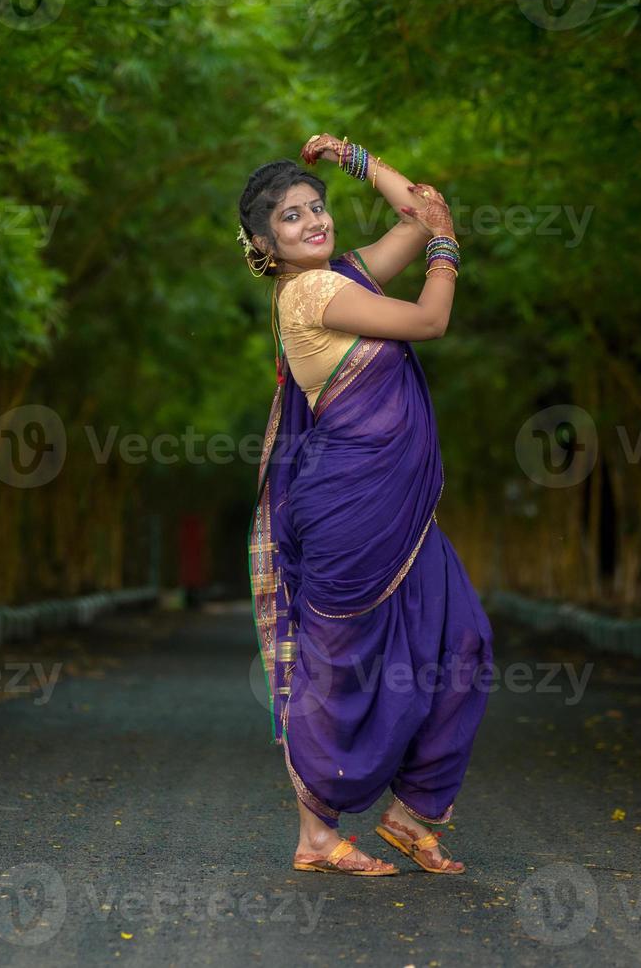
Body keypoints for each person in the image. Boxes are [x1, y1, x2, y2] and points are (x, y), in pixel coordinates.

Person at [240, 133, 493, 876]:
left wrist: (358, 160)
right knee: (341, 666)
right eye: (291, 217)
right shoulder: (314, 292)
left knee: (464, 644)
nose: (314, 220)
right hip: (351, 509)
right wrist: (444, 249)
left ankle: (414, 816)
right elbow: (429, 320)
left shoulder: (344, 274)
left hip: (402, 515)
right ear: (264, 243)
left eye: (318, 207)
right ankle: (315, 833)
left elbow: (419, 210)